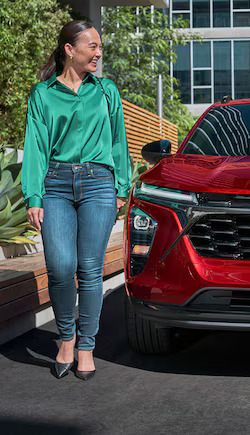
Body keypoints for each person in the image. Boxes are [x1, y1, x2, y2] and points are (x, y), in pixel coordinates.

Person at [22, 21, 131, 380]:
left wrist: (120, 188)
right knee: (59, 266)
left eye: (100, 47)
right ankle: (64, 337)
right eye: (92, 46)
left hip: (99, 184)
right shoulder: (43, 94)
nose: (99, 53)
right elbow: (36, 147)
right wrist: (34, 195)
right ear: (70, 49)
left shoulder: (106, 91)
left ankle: (85, 344)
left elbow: (119, 142)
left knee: (88, 268)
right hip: (55, 183)